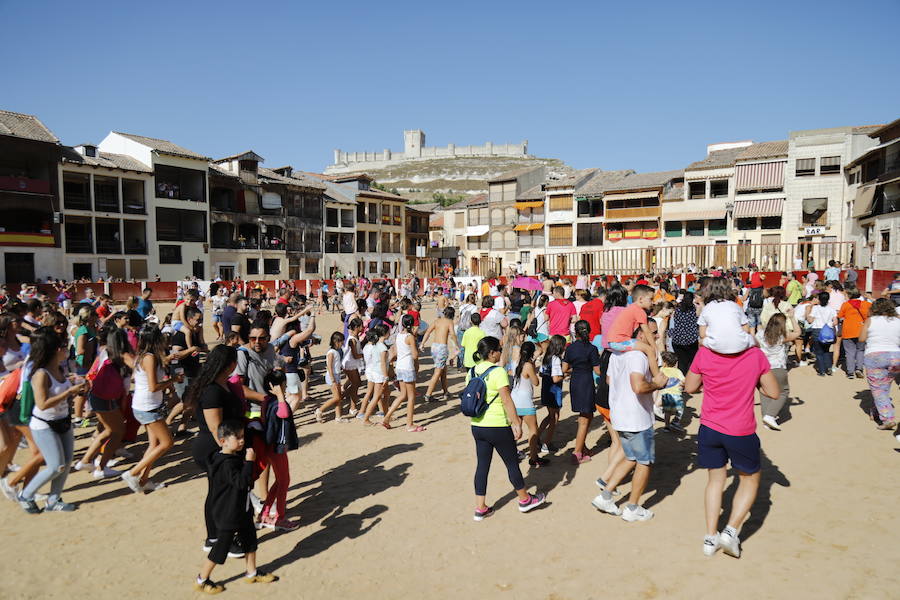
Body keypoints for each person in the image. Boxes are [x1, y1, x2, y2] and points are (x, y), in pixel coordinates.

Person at [684, 333, 779, 558]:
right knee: (750, 478)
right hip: (740, 429)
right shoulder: (754, 355)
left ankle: (710, 536)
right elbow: (774, 392)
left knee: (715, 480)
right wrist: (753, 383)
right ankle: (731, 531)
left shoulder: (705, 353)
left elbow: (690, 387)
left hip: (709, 426)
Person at [591, 320, 669, 522]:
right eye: (653, 333)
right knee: (644, 462)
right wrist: (656, 384)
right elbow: (638, 387)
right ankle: (633, 507)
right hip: (636, 417)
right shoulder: (637, 356)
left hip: (620, 413)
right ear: (641, 335)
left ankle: (606, 495)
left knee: (630, 456)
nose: (657, 336)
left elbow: (608, 380)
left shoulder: (617, 354)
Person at [468, 336, 546, 521]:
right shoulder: (498, 372)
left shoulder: (471, 371)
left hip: (478, 425)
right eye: (499, 350)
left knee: (482, 466)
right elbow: (506, 399)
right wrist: (516, 423)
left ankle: (480, 508)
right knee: (511, 463)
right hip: (497, 426)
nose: (501, 353)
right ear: (492, 353)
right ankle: (525, 499)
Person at [194, 420, 277, 594]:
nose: (241, 441)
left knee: (250, 540)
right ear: (223, 441)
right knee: (221, 547)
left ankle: (251, 572)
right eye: (237, 438)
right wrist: (249, 462)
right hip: (228, 512)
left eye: (242, 437)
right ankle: (202, 579)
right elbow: (242, 482)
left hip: (242, 508)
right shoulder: (226, 463)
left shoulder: (227, 457)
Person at [17, 328, 88, 513]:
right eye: (64, 346)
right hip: (43, 424)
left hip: (62, 420)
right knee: (56, 465)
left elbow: (62, 395)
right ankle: (26, 494)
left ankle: (53, 500)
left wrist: (75, 387)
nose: (66, 350)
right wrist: (69, 392)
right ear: (55, 350)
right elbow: (42, 404)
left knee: (66, 464)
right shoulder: (40, 374)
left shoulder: (59, 368)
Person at [187, 345, 247, 557]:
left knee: (218, 492)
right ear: (229, 364)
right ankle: (220, 540)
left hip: (222, 446)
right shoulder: (212, 390)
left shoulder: (222, 384)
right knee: (223, 496)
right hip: (214, 449)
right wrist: (227, 455)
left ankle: (214, 537)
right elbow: (215, 427)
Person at [122, 325, 179, 493]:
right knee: (167, 442)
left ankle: (143, 480)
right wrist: (173, 380)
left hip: (147, 405)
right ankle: (132, 473)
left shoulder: (146, 356)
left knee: (154, 444)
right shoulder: (150, 358)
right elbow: (154, 387)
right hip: (148, 407)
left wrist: (167, 360)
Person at [563, 320, 602, 464]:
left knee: (585, 416)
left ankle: (582, 446)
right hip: (586, 382)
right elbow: (597, 371)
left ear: (576, 332)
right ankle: (577, 452)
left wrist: (577, 368)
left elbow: (564, 369)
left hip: (575, 381)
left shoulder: (571, 348)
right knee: (585, 419)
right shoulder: (591, 348)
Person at [858, 298, 900, 430]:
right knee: (885, 386)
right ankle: (876, 411)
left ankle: (887, 418)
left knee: (877, 388)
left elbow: (862, 338)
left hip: (875, 355)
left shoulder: (871, 320)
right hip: (895, 356)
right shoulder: (898, 321)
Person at [605, 284, 664, 378]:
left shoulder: (631, 308)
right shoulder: (639, 311)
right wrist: (654, 348)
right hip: (620, 341)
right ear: (640, 299)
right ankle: (658, 377)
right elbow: (647, 332)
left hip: (616, 341)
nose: (652, 302)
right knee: (648, 350)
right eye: (650, 299)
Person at [755, 313, 800, 430]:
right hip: (777, 367)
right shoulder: (782, 336)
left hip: (762, 368)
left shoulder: (760, 334)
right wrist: (792, 317)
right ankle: (770, 416)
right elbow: (798, 332)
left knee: (765, 392)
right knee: (783, 391)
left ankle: (766, 418)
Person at [382, 315, 425, 432]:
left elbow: (396, 351)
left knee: (402, 395)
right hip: (407, 367)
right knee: (411, 397)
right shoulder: (409, 337)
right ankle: (409, 424)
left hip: (400, 366)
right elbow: (415, 355)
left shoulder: (399, 335)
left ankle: (386, 417)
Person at [697, 278, 756, 355]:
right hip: (739, 344)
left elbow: (702, 334)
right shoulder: (735, 306)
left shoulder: (707, 308)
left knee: (700, 341)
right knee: (754, 340)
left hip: (715, 345)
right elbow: (746, 329)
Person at [511, 342, 545, 467]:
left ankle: (513, 453)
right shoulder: (528, 365)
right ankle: (534, 457)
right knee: (533, 429)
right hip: (525, 401)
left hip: (514, 400)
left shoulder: (515, 362)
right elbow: (536, 382)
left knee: (516, 428)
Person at [421, 307, 460, 402]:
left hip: (434, 347)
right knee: (438, 371)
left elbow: (428, 332)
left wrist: (422, 343)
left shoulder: (437, 321)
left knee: (443, 370)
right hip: (442, 348)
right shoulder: (449, 322)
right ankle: (428, 395)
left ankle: (445, 392)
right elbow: (452, 334)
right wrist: (457, 346)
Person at [537, 334, 566, 452]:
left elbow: (541, 373)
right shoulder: (556, 359)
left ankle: (537, 437)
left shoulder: (546, 356)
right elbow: (556, 379)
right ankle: (546, 443)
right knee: (554, 417)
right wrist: (565, 375)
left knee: (550, 416)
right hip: (554, 390)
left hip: (546, 388)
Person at [315, 332, 349, 423]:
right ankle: (320, 410)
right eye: (341, 341)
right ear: (335, 341)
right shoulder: (331, 352)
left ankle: (338, 417)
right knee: (337, 397)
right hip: (332, 376)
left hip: (336, 375)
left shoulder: (337, 351)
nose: (342, 343)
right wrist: (332, 378)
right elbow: (329, 366)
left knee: (338, 397)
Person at [837, 286, 869, 378]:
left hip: (848, 331)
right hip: (862, 330)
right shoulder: (866, 304)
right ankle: (859, 368)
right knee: (860, 350)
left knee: (849, 352)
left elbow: (840, 316)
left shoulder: (845, 305)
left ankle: (850, 372)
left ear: (849, 294)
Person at [804, 292, 838, 376]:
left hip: (817, 331)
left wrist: (808, 314)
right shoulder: (832, 309)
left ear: (819, 299)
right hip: (828, 331)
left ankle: (822, 371)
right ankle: (829, 367)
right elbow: (835, 322)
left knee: (819, 352)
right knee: (826, 350)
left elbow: (810, 321)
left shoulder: (815, 308)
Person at [669, 291, 699, 375]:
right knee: (691, 363)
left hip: (677, 339)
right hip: (691, 339)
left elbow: (674, 324)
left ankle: (681, 381)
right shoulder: (694, 310)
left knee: (682, 363)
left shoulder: (677, 310)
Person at [659, 351, 685, 433]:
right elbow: (683, 380)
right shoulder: (677, 371)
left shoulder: (661, 370)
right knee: (680, 410)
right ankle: (675, 422)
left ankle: (666, 426)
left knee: (667, 412)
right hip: (676, 394)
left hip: (665, 395)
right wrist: (682, 386)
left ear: (664, 362)